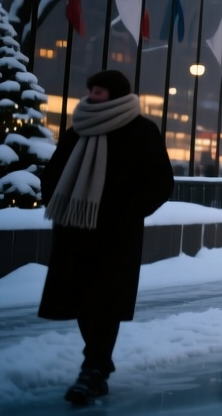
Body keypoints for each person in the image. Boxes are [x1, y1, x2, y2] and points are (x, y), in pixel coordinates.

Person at [38, 70, 174, 405]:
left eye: (99, 91)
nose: (92, 96)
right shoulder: (78, 129)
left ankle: (94, 369)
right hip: (75, 231)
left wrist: (129, 210)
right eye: (92, 90)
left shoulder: (142, 131)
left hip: (116, 234)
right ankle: (97, 364)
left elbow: (160, 181)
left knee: (106, 303)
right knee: (82, 300)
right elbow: (54, 172)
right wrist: (58, 200)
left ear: (115, 95)